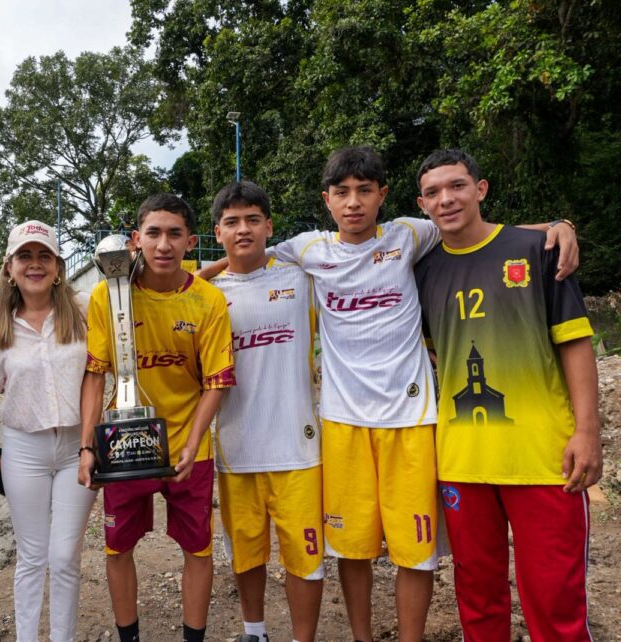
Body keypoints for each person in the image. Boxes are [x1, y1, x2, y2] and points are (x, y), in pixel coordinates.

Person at [201, 146, 578, 641]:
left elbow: (477, 231)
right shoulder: (308, 249)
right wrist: (196, 279)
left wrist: (557, 226)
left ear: (383, 194)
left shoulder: (409, 234)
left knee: (415, 553)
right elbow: (245, 254)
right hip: (342, 422)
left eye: (364, 191)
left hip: (411, 420)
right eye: (342, 193)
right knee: (351, 549)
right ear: (327, 200)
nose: (353, 202)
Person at [414, 149, 601, 641]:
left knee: (555, 598)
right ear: (421, 205)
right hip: (462, 460)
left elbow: (575, 343)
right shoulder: (422, 271)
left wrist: (587, 431)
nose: (446, 199)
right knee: (477, 597)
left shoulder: (538, 249)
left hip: (543, 457)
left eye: (457, 186)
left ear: (481, 189)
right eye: (433, 192)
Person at [78, 194, 235, 642]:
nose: (163, 244)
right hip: (122, 444)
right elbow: (95, 374)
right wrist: (87, 446)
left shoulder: (208, 301)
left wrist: (194, 441)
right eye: (153, 233)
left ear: (191, 242)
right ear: (136, 239)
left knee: (198, 549)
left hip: (188, 447)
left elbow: (217, 381)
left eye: (174, 234)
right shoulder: (108, 295)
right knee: (117, 547)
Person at [209, 181, 324, 642]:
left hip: (298, 447)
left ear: (269, 227)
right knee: (246, 554)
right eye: (232, 222)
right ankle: (254, 632)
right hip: (237, 447)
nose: (243, 229)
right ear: (217, 232)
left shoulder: (301, 277)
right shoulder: (207, 294)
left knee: (305, 558)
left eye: (253, 220)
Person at [0, 220, 97, 642]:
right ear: (9, 267)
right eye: (24, 256)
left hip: (79, 447)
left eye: (44, 255)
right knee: (31, 556)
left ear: (58, 266)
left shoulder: (83, 310)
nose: (35, 264)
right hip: (24, 450)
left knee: (63, 557)